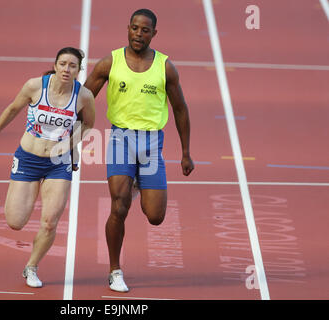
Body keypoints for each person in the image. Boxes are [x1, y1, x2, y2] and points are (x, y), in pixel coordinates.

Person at [84, 9, 194, 292]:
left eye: (145, 30)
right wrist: (70, 138)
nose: (138, 34)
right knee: (119, 206)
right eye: (135, 28)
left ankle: (136, 184)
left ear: (153, 34)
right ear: (128, 29)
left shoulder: (165, 67)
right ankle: (115, 270)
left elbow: (180, 109)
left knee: (155, 216)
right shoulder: (110, 62)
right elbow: (85, 99)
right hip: (120, 139)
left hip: (151, 143)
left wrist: (185, 152)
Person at [0, 47, 95, 288]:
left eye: (72, 66)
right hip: (28, 159)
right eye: (62, 64)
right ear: (55, 64)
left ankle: (31, 267)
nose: (66, 69)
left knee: (50, 221)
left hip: (58, 164)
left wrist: (69, 145)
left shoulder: (84, 96)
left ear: (78, 71)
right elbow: (12, 109)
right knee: (15, 222)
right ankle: (20, 196)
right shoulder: (34, 86)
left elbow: (88, 125)